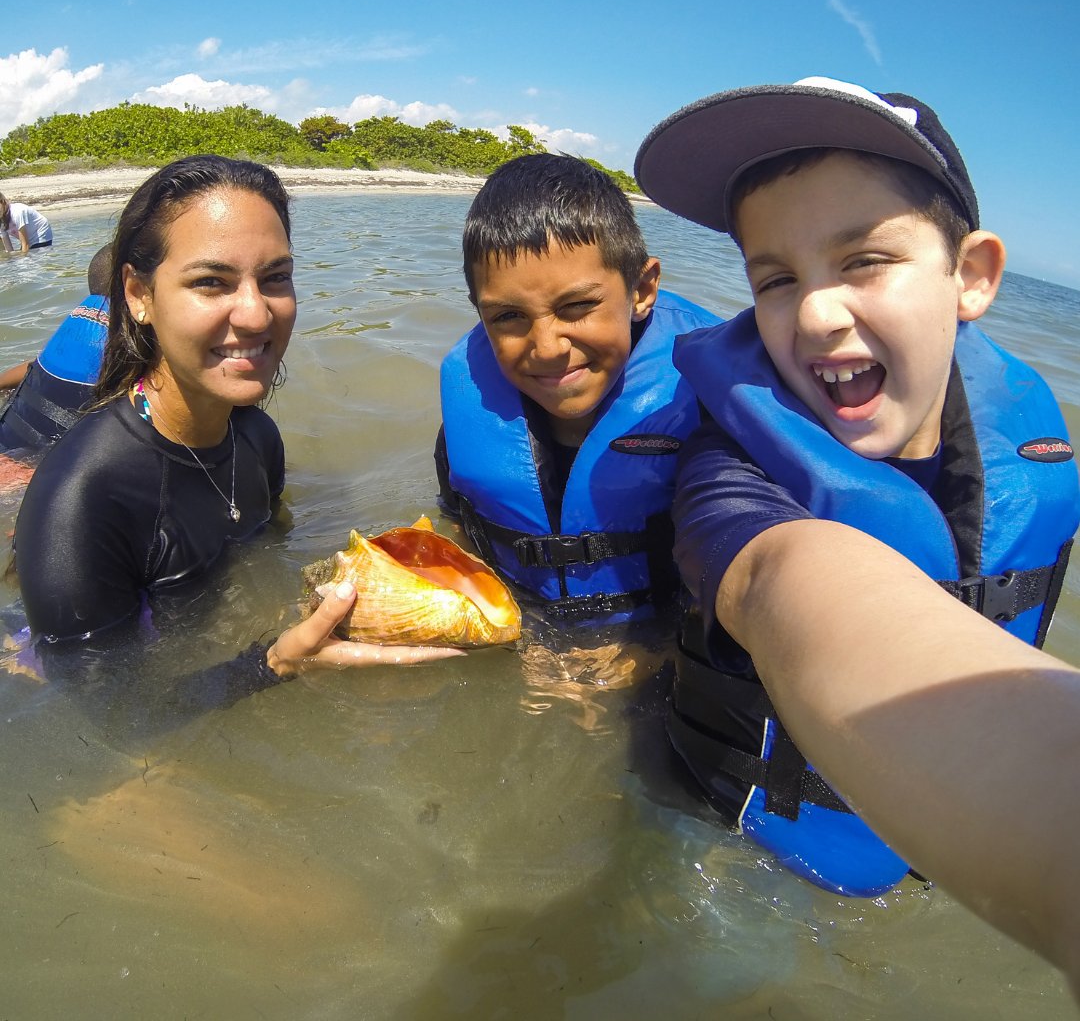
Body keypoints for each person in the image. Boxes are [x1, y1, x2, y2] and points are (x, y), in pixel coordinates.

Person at [633, 78, 1080, 898]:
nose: (815, 317)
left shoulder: (1028, 448)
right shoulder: (727, 469)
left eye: (864, 260)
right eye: (776, 279)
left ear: (971, 275)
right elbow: (776, 575)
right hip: (732, 838)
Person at [12, 155, 461, 728]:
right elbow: (110, 716)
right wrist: (274, 662)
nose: (255, 315)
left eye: (275, 277)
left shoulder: (257, 436)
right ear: (138, 294)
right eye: (211, 282)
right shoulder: (80, 501)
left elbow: (267, 552)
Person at [435, 153, 718, 632]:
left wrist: (642, 656)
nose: (547, 349)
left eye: (578, 306)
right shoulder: (470, 402)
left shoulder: (714, 403)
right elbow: (459, 521)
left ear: (642, 290)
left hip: (658, 639)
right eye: (508, 316)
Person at [0, 244, 112, 453]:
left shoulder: (81, 323)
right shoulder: (129, 339)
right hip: (34, 464)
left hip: (7, 437)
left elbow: (33, 367)